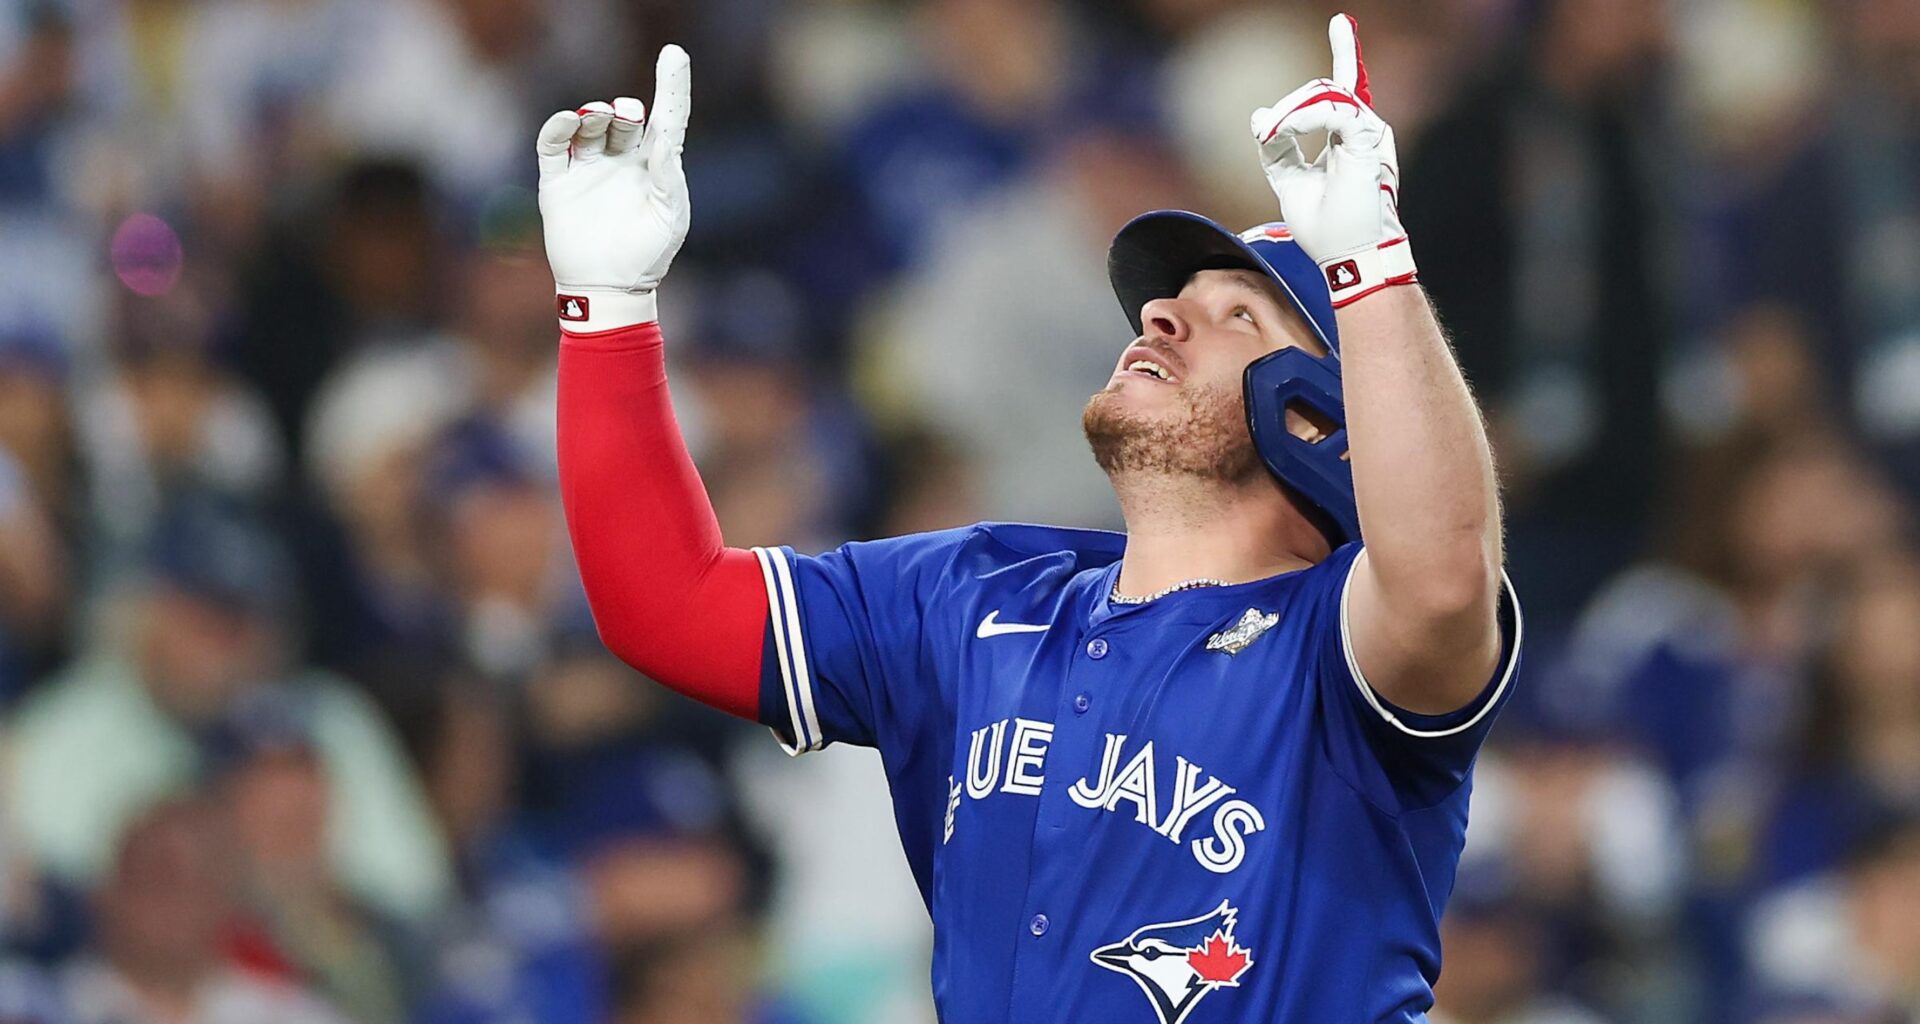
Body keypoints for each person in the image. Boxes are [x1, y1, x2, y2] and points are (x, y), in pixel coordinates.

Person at [543, 16, 1517, 1023]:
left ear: (1317, 419)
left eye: (1236, 315)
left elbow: (1446, 576)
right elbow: (667, 602)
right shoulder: (971, 594)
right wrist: (607, 304)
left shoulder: (1340, 645)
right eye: (1165, 301)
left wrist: (1370, 261)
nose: (1160, 315)